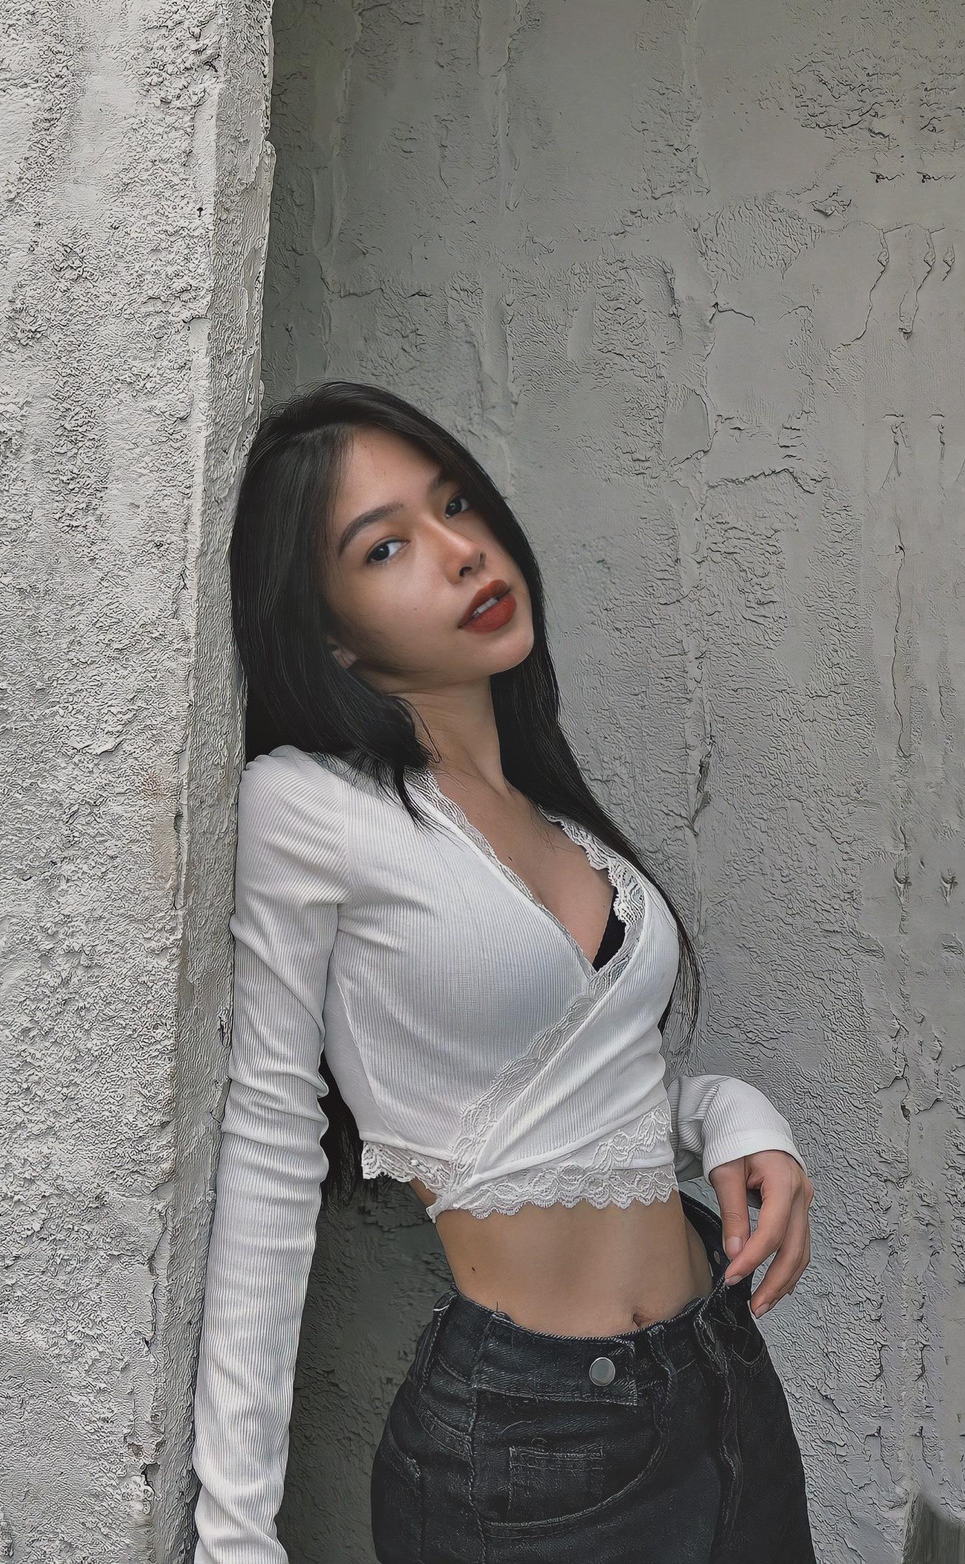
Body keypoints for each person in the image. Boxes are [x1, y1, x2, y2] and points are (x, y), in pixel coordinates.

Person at [189, 380, 817, 1563]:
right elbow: (268, 1143)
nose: (460, 550)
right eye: (384, 546)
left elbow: (576, 1101)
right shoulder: (307, 809)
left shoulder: (551, 818)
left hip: (722, 1371)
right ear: (329, 632)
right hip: (541, 1448)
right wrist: (235, 1537)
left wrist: (731, 1114)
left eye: (454, 503)